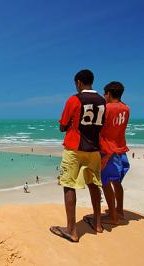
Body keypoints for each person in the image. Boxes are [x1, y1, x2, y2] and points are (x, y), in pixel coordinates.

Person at [50, 69, 105, 243]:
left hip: (74, 147)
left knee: (68, 185)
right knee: (94, 183)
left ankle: (71, 230)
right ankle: (97, 224)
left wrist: (66, 125)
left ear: (79, 82)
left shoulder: (74, 99)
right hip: (94, 149)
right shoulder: (103, 101)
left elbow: (63, 125)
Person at [99, 81, 130, 225]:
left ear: (109, 94)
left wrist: (106, 155)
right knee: (116, 182)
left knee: (105, 182)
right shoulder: (126, 108)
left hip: (108, 150)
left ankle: (113, 217)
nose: (104, 96)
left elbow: (103, 131)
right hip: (120, 148)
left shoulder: (106, 108)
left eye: (105, 93)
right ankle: (119, 211)